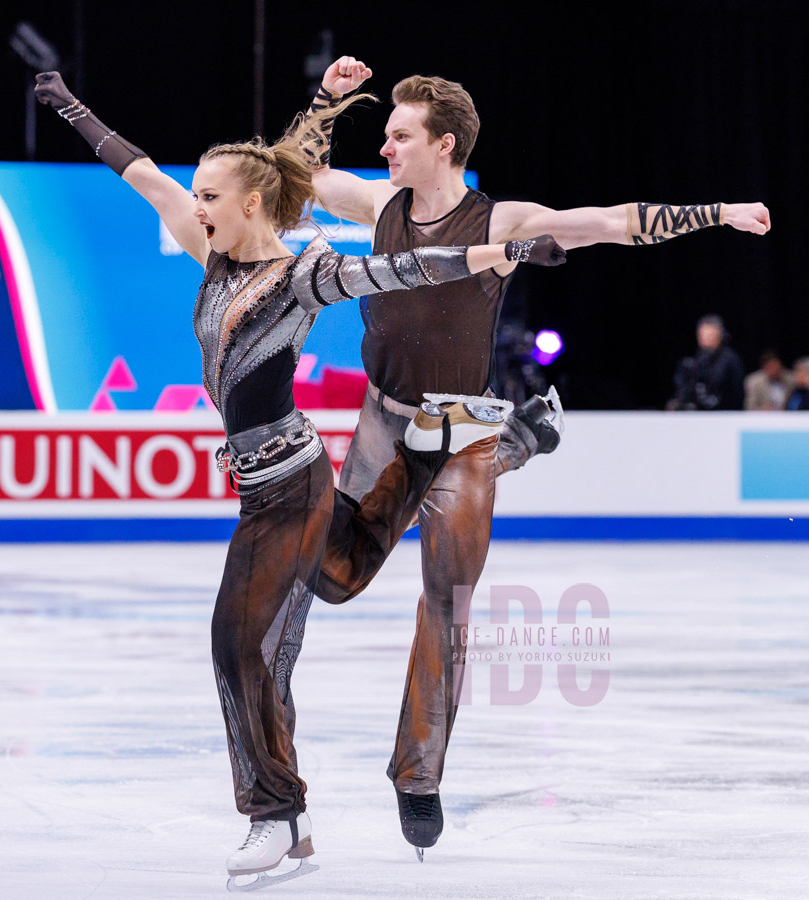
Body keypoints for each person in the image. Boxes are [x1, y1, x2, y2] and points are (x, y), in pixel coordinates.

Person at [34, 70, 566, 888]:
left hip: (291, 486)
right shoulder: (204, 245)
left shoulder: (303, 275)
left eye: (209, 191)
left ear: (250, 204)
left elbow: (407, 270)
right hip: (274, 482)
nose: (194, 201)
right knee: (342, 574)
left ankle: (276, 819)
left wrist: (507, 250)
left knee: (241, 644)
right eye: (197, 191)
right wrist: (70, 106)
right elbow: (138, 170)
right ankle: (507, 438)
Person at [303, 55, 772, 857]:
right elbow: (296, 172)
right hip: (382, 425)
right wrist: (326, 101)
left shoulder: (501, 222)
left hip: (458, 434)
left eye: (399, 135)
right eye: (383, 135)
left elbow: (610, 221)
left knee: (446, 603)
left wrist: (719, 210)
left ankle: (418, 773)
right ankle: (522, 441)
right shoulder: (378, 205)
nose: (384, 149)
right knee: (333, 579)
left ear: (443, 144)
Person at [668, 314, 746, 411]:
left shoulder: (730, 359)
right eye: (703, 334)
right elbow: (685, 388)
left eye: (710, 334)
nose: (706, 338)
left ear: (719, 335)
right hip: (697, 414)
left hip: (723, 414)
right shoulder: (693, 360)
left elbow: (736, 392)